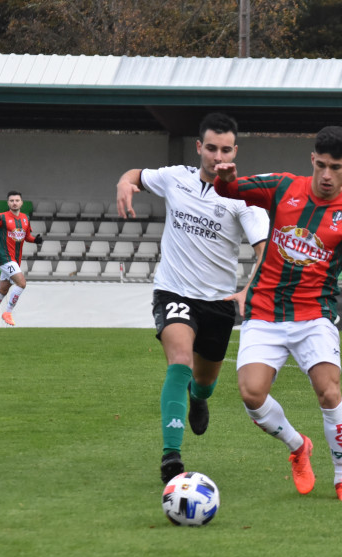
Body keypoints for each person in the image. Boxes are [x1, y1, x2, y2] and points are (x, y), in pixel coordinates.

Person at [213, 125, 342, 502]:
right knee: (251, 394)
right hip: (264, 312)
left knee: (329, 392)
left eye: (337, 167)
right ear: (312, 160)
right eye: (322, 166)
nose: (327, 176)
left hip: (314, 316)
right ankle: (299, 447)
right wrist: (225, 179)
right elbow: (230, 191)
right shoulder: (282, 187)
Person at [115, 112, 269, 484]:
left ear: (236, 150)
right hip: (173, 291)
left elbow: (266, 249)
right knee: (179, 359)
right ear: (199, 147)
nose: (218, 157)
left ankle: (198, 398)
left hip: (218, 302)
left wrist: (249, 287)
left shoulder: (244, 199)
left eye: (226, 149)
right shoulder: (175, 178)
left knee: (204, 382)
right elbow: (138, 175)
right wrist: (124, 182)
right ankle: (171, 457)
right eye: (211, 148)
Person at [0, 191, 42, 328]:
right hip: (4, 257)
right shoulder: (1, 217)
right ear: (8, 203)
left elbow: (26, 236)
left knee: (2, 290)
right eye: (11, 200)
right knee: (22, 284)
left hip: (15, 259)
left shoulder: (25, 218)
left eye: (17, 200)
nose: (14, 203)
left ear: (21, 202)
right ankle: (7, 312)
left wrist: (35, 240)